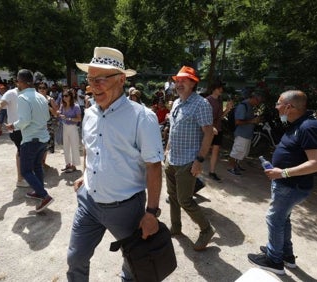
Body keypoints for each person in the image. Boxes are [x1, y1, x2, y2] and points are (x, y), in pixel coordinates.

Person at [67, 47, 163, 281]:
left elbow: (154, 166)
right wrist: (85, 175)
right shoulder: (89, 114)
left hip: (126, 209)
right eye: (90, 79)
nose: (93, 85)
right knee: (75, 258)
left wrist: (151, 212)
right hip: (88, 203)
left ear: (121, 79)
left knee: (135, 260)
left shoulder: (142, 117)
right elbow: (90, 149)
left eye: (100, 79)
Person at [248, 90, 317, 275]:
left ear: (289, 106)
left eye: (278, 103)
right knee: (284, 219)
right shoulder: (297, 124)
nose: (276, 107)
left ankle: (274, 260)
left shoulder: (308, 127)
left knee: (274, 218)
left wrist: (282, 172)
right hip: (287, 184)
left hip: (292, 186)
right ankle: (286, 255)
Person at [164, 66, 215, 251]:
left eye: (183, 80)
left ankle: (206, 229)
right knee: (172, 196)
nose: (179, 84)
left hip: (188, 161)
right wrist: (166, 151)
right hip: (172, 159)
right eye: (177, 81)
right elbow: (173, 129)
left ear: (193, 83)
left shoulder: (201, 104)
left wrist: (199, 160)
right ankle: (176, 227)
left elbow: (208, 134)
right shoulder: (176, 102)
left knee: (185, 200)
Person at [5, 69, 53, 213]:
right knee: (37, 166)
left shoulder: (22, 97)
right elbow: (47, 118)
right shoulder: (41, 96)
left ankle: (45, 196)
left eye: (17, 81)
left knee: (26, 171)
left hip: (31, 139)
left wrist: (13, 125)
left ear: (21, 82)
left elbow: (24, 121)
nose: (17, 84)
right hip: (43, 137)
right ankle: (39, 191)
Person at [0, 87, 29, 188]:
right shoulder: (11, 93)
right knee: (21, 152)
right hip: (16, 129)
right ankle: (20, 179)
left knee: (23, 151)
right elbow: (1, 103)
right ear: (18, 82)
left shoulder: (28, 92)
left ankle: (25, 176)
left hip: (27, 128)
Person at [227, 92, 263, 175]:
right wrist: (252, 121)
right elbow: (238, 122)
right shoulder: (243, 106)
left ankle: (236, 165)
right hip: (241, 134)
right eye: (258, 101)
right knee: (236, 152)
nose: (258, 104)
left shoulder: (249, 106)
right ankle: (232, 168)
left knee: (243, 152)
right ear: (253, 98)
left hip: (247, 134)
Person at [206, 81, 233, 181]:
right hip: (208, 129)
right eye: (220, 88)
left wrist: (228, 109)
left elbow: (220, 117)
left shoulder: (220, 100)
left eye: (221, 88)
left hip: (218, 129)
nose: (221, 90)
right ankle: (195, 168)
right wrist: (210, 127)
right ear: (214, 89)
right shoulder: (207, 100)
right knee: (204, 150)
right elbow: (204, 118)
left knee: (215, 151)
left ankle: (212, 172)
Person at [57, 89, 82, 173]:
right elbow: (59, 115)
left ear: (71, 96)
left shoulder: (76, 106)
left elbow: (79, 119)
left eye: (66, 96)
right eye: (63, 96)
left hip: (73, 128)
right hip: (64, 127)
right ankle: (67, 164)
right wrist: (59, 114)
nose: (64, 97)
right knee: (66, 147)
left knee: (74, 146)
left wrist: (68, 118)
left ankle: (74, 165)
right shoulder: (62, 106)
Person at [37, 82, 59, 166]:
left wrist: (47, 106)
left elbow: (56, 114)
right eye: (40, 88)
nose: (42, 90)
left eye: (44, 88)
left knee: (46, 144)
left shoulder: (50, 100)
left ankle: (43, 162)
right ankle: (39, 162)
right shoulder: (35, 99)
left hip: (48, 125)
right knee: (38, 144)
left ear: (47, 89)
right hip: (37, 125)